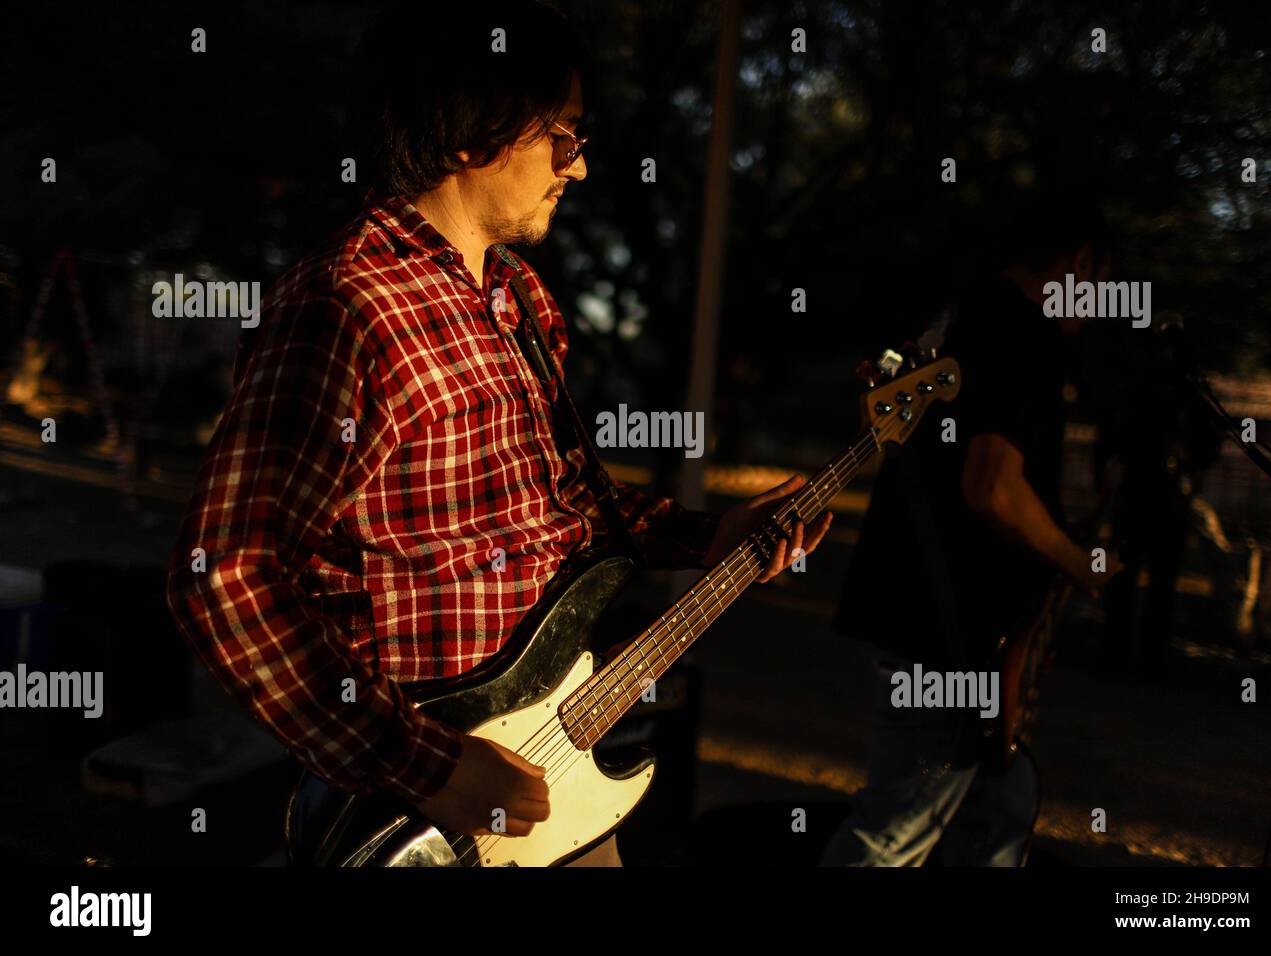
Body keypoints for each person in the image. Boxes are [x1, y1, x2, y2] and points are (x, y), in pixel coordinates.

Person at [165, 1, 830, 867]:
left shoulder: (520, 298)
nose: (579, 168)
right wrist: (427, 765)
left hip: (554, 778)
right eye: (565, 136)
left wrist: (710, 537)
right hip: (428, 811)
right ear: (476, 136)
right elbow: (224, 572)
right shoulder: (347, 309)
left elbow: (564, 509)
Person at [821, 197, 1118, 866]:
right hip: (947, 630)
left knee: (999, 810)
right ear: (1080, 263)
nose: (1098, 304)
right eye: (1101, 285)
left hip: (925, 616)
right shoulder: (1027, 335)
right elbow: (992, 487)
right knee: (892, 835)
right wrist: (1079, 561)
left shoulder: (959, 318)